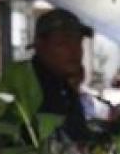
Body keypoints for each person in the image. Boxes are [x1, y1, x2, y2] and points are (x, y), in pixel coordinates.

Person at [27, 8, 95, 142]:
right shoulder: (28, 87)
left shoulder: (63, 85)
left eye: (78, 42)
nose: (74, 51)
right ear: (40, 45)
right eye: (63, 43)